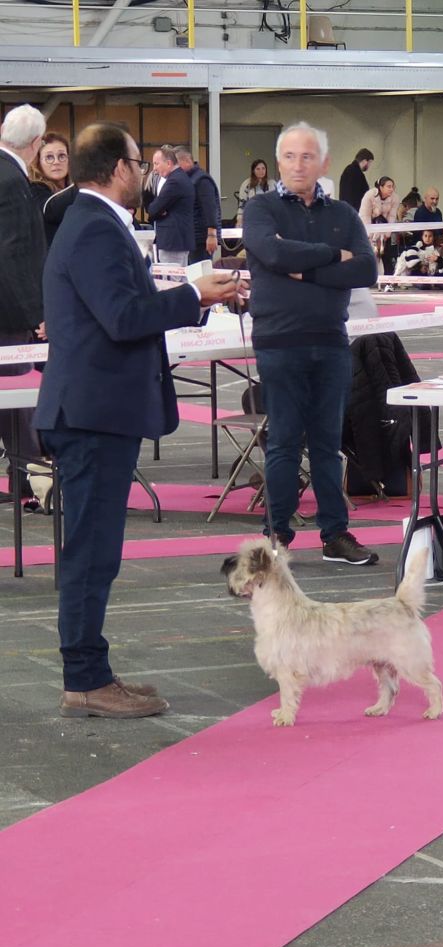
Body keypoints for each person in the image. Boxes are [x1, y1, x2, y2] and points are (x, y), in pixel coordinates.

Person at [33, 122, 244, 718]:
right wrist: (195, 295)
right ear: (119, 169)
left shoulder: (93, 223)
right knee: (91, 552)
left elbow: (124, 311)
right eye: (138, 162)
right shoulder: (95, 228)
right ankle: (85, 678)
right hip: (93, 414)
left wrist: (200, 300)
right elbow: (124, 318)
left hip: (98, 410)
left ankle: (91, 670)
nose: (145, 174)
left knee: (96, 549)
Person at [242, 120, 379, 565]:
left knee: (325, 443)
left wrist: (302, 266)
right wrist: (328, 255)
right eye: (289, 156)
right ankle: (275, 537)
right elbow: (272, 254)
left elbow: (365, 270)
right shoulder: (259, 209)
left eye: (307, 156)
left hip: (331, 341)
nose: (297, 165)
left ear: (324, 162)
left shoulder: (342, 214)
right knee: (282, 441)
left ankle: (335, 535)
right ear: (278, 161)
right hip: (279, 342)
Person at [0, 103, 47, 509]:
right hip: (8, 311)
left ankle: (24, 474)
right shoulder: (13, 182)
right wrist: (36, 312)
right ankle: (28, 478)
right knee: (16, 399)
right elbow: (13, 253)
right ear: (36, 144)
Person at [174, 145, 222, 264]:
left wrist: (211, 235)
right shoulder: (190, 179)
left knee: (200, 273)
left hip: (201, 238)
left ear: (187, 161)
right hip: (193, 236)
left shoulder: (201, 180)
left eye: (176, 164)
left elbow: (210, 208)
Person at [148, 143, 195, 265]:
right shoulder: (180, 178)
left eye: (156, 163)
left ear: (168, 163)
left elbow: (153, 209)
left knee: (172, 281)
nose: (154, 169)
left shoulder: (174, 182)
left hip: (173, 242)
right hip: (177, 241)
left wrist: (158, 211)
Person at [29, 131, 71, 245]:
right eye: (49, 157)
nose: (56, 162)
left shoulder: (74, 189)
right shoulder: (34, 188)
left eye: (61, 156)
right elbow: (51, 211)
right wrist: (84, 183)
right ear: (38, 162)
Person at [359, 175, 400, 275]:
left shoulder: (395, 198)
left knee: (387, 254)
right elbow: (365, 216)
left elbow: (392, 216)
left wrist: (387, 234)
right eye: (389, 186)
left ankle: (388, 280)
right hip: (369, 226)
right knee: (367, 254)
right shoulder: (369, 195)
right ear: (381, 187)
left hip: (384, 225)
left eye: (392, 187)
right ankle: (364, 278)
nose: (392, 189)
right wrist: (369, 234)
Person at [339, 147, 374, 211]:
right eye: (369, 162)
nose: (369, 166)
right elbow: (356, 195)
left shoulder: (350, 170)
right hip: (354, 211)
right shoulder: (355, 173)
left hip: (348, 210)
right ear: (364, 161)